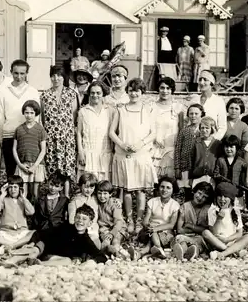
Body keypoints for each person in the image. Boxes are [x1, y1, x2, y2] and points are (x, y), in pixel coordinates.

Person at [109, 78, 157, 234]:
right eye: (131, 90)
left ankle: (139, 221)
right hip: (124, 154)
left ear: (142, 93)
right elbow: (111, 132)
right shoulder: (120, 109)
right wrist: (123, 145)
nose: (134, 93)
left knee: (141, 190)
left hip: (141, 154)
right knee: (128, 189)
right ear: (127, 92)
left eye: (137, 90)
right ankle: (129, 220)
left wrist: (140, 144)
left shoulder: (148, 110)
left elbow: (153, 133)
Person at [5, 204, 107, 266]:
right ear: (74, 218)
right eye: (78, 217)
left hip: (55, 257)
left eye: (84, 219)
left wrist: (90, 261)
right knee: (35, 250)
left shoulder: (86, 240)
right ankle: (12, 260)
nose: (80, 221)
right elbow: (45, 233)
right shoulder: (66, 227)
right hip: (45, 248)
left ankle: (40, 265)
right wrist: (33, 243)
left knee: (67, 261)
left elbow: (101, 256)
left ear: (90, 223)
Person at [0, 60, 40, 178]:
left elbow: (37, 116)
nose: (19, 76)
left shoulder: (32, 91)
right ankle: (12, 195)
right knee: (11, 170)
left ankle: (28, 195)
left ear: (27, 73)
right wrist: (0, 136)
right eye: (16, 73)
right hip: (9, 134)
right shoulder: (3, 90)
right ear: (11, 72)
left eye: (22, 73)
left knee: (28, 170)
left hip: (28, 135)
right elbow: (0, 116)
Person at [41, 66, 78, 198]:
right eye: (53, 75)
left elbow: (73, 116)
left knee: (66, 167)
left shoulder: (71, 94)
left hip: (66, 138)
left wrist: (65, 131)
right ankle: (53, 197)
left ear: (64, 77)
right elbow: (44, 118)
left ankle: (66, 196)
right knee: (52, 166)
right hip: (51, 137)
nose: (56, 78)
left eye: (59, 75)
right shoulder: (45, 95)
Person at [203, 182, 248, 260]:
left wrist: (227, 239)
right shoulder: (212, 210)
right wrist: (219, 219)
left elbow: (239, 233)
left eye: (226, 196)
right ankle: (232, 251)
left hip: (231, 241)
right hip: (218, 242)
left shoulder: (235, 211)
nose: (222, 199)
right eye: (220, 196)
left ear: (231, 198)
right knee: (205, 233)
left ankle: (224, 253)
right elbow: (213, 232)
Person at [77, 82, 114, 181]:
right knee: (88, 185)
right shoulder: (83, 111)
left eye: (98, 93)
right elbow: (79, 133)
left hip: (105, 154)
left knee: (103, 187)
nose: (95, 95)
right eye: (92, 93)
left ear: (103, 94)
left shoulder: (110, 111)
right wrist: (81, 152)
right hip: (88, 154)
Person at [0, 175, 35, 252]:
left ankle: (12, 246)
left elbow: (31, 212)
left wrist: (24, 198)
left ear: (20, 189)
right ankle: (15, 245)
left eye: (15, 187)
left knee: (33, 233)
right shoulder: (4, 199)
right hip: (6, 232)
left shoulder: (23, 200)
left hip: (21, 233)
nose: (12, 190)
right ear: (7, 188)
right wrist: (2, 195)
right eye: (10, 187)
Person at [12, 100, 46, 202]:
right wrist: (20, 165)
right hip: (23, 164)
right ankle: (23, 216)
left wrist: (35, 166)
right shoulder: (19, 129)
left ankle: (35, 215)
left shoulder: (40, 130)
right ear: (23, 113)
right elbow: (14, 148)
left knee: (36, 193)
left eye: (32, 113)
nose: (29, 115)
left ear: (36, 114)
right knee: (23, 193)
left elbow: (43, 150)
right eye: (27, 112)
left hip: (36, 165)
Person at [151, 77, 185, 178]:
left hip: (171, 151)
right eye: (162, 88)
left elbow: (181, 130)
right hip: (153, 149)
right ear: (158, 89)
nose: (165, 91)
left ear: (172, 90)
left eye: (168, 88)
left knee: (168, 181)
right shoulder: (151, 106)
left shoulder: (178, 107)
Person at [139, 177, 180, 259]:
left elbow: (171, 225)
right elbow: (146, 219)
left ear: (173, 190)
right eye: (162, 187)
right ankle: (156, 249)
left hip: (165, 233)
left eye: (168, 188)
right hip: (150, 230)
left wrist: (156, 229)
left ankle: (148, 249)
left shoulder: (175, 205)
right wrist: (147, 225)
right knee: (150, 233)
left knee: (154, 234)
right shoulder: (152, 202)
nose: (164, 190)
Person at [173, 181, 214, 261]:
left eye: (204, 197)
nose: (200, 198)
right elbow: (180, 229)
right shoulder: (185, 206)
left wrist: (190, 226)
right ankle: (183, 252)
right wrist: (198, 229)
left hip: (201, 238)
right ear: (194, 191)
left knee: (199, 244)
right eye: (199, 193)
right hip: (185, 236)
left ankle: (193, 253)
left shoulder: (208, 209)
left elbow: (208, 230)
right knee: (180, 238)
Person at [175, 104, 204, 192]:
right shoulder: (184, 131)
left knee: (199, 190)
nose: (193, 116)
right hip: (185, 166)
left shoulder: (204, 130)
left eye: (196, 113)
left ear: (201, 114)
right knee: (187, 191)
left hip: (199, 167)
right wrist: (177, 167)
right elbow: (178, 149)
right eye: (191, 114)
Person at [190, 70, 227, 140]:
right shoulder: (194, 100)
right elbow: (188, 121)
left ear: (211, 82)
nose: (201, 82)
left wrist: (212, 139)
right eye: (200, 79)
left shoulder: (219, 101)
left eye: (205, 80)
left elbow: (222, 127)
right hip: (193, 141)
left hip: (211, 143)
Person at [96, 180, 129, 258]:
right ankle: (113, 252)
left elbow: (119, 222)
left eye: (105, 193)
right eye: (99, 193)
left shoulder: (114, 204)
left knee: (115, 240)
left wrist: (112, 233)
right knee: (106, 242)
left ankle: (118, 252)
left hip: (118, 228)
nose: (102, 196)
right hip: (104, 229)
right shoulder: (96, 202)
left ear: (110, 194)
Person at [213, 135, 248, 209]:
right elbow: (216, 174)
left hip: (237, 192)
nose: (228, 149)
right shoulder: (220, 160)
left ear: (237, 148)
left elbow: (244, 178)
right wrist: (225, 180)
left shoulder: (241, 162)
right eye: (226, 147)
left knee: (237, 211)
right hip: (223, 193)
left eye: (231, 147)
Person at [68, 173, 100, 247]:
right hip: (80, 228)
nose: (89, 190)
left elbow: (106, 199)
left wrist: (117, 201)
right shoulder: (75, 201)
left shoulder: (95, 199)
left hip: (92, 228)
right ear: (80, 186)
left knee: (96, 243)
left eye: (91, 188)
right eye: (86, 187)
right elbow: (71, 219)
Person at [190, 116, 221, 188]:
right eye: (202, 128)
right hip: (197, 177)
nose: (204, 130)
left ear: (212, 129)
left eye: (207, 128)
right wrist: (190, 177)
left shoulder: (218, 143)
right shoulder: (196, 142)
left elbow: (220, 161)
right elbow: (191, 161)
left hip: (212, 178)